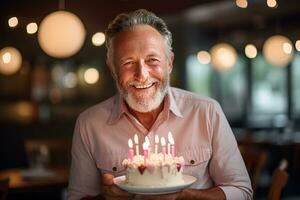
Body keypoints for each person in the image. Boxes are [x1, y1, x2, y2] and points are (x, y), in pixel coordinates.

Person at [68, 9, 253, 200]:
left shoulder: (206, 112)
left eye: (152, 60)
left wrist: (186, 196)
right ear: (113, 69)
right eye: (128, 62)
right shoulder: (89, 124)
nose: (142, 75)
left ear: (169, 63)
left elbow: (242, 192)